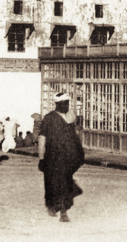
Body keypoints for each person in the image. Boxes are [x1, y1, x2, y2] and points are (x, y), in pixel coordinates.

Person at [38, 93, 84, 223]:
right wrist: (41, 158)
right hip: (51, 157)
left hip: (67, 157)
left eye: (67, 103)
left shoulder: (70, 117)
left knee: (65, 183)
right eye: (64, 103)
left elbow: (75, 136)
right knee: (51, 183)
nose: (66, 106)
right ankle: (51, 206)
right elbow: (42, 139)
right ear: (57, 104)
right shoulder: (49, 118)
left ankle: (63, 211)